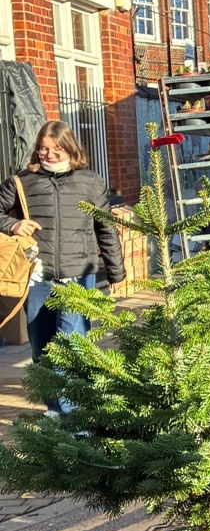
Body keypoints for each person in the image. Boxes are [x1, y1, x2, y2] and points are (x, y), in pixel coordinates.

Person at [0, 120, 125, 410]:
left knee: (72, 346)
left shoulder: (90, 182)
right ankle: (56, 411)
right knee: (41, 349)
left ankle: (71, 420)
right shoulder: (22, 181)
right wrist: (13, 223)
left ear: (69, 147)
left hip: (78, 275)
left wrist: (116, 270)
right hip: (37, 277)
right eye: (43, 149)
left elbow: (105, 228)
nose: (49, 155)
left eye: (56, 149)